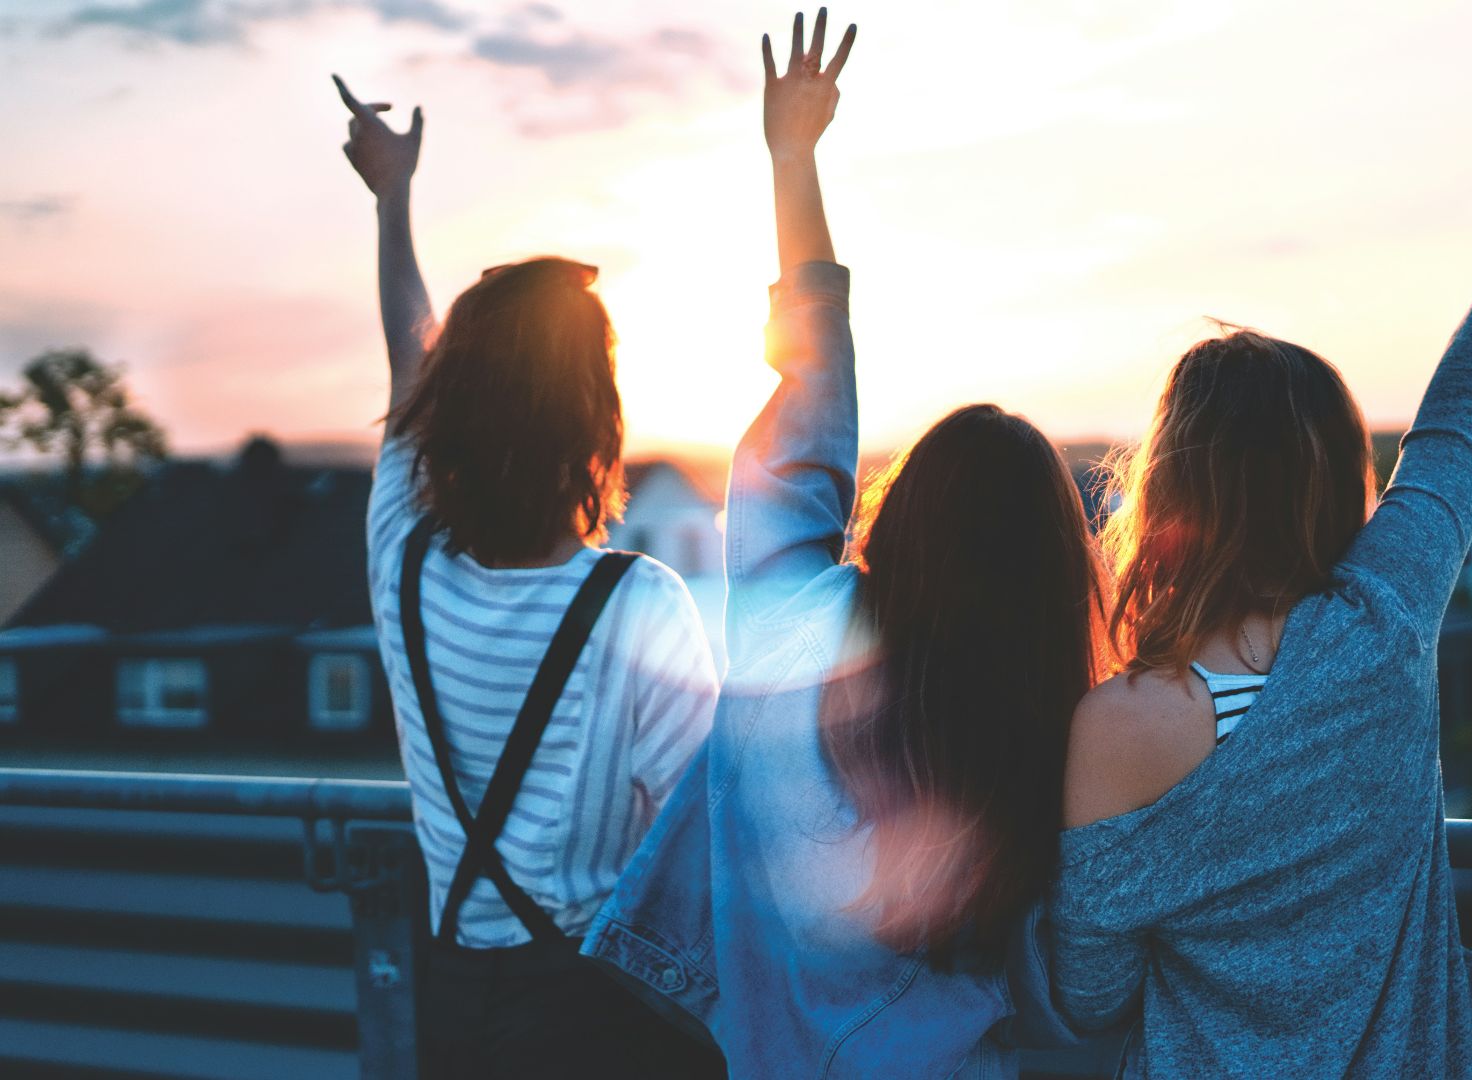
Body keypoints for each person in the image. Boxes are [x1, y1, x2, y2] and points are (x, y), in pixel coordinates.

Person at [1049, 11, 1472, 1077]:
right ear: (1330, 478)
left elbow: (1091, 1002)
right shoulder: (1385, 618)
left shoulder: (1116, 724)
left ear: (1172, 485)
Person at [586, 10, 1099, 1077]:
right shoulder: (1047, 729)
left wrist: (791, 158)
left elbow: (812, 395)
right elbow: (1075, 990)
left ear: (902, 517)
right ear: (1049, 573)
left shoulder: (790, 629)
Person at [333, 75, 725, 1078]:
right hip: (597, 1019)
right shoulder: (639, 606)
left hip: (448, 1005)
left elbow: (406, 366)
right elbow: (702, 843)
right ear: (595, 423)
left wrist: (391, 200)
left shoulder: (401, 559)